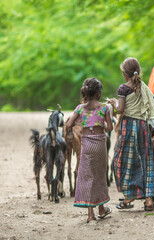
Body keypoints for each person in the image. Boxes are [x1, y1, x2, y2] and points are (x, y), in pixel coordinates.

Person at [108, 57, 154, 211]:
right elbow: (150, 106)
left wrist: (113, 104)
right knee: (146, 161)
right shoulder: (143, 87)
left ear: (125, 73)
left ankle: (129, 197)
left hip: (128, 127)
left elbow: (121, 110)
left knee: (122, 160)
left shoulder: (123, 89)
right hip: (143, 127)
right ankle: (149, 200)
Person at [66, 77, 113, 223]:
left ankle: (90, 214)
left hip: (86, 145)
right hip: (100, 144)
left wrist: (81, 121)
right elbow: (110, 128)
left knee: (87, 176)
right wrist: (104, 124)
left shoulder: (80, 108)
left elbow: (68, 124)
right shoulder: (105, 107)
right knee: (99, 175)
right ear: (99, 93)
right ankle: (101, 208)